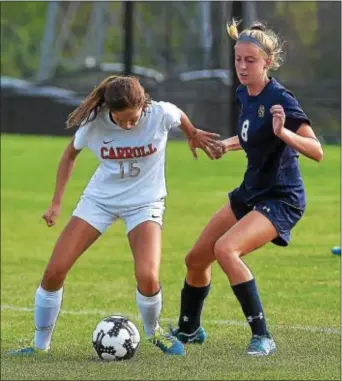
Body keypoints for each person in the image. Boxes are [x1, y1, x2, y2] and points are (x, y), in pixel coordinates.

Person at [9, 75, 222, 357]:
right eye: (121, 121)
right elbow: (69, 155)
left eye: (132, 120)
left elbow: (179, 115)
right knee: (54, 271)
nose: (128, 125)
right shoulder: (95, 123)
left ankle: (154, 332)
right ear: (110, 110)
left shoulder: (159, 113)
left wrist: (192, 133)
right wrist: (56, 203)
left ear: (143, 105)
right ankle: (39, 347)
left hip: (144, 203)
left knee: (147, 276)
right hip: (99, 202)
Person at [171, 19, 324, 356]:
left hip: (281, 198)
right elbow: (253, 134)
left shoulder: (281, 97)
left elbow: (316, 151)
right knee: (196, 259)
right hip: (251, 191)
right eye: (238, 59)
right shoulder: (244, 92)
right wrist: (227, 144)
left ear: (267, 62)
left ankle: (262, 337)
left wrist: (284, 133)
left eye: (250, 61)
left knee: (226, 250)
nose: (242, 66)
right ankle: (189, 328)